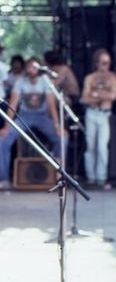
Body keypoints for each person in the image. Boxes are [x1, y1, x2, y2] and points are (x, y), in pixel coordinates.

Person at [0, 56, 66, 187]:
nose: (31, 69)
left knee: (63, 138)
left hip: (42, 116)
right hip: (24, 116)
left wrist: (57, 126)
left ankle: (58, 175)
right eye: (29, 66)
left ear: (39, 68)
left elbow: (51, 105)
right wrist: (6, 127)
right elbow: (13, 104)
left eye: (34, 67)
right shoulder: (20, 81)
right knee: (3, 140)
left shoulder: (45, 81)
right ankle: (4, 179)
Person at [80, 48, 116, 189]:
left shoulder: (112, 77)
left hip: (104, 114)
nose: (105, 66)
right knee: (90, 146)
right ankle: (91, 177)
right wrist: (101, 96)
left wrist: (95, 94)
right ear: (96, 63)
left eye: (107, 63)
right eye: (102, 63)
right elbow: (85, 98)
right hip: (92, 113)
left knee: (102, 146)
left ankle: (101, 177)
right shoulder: (90, 78)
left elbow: (113, 96)